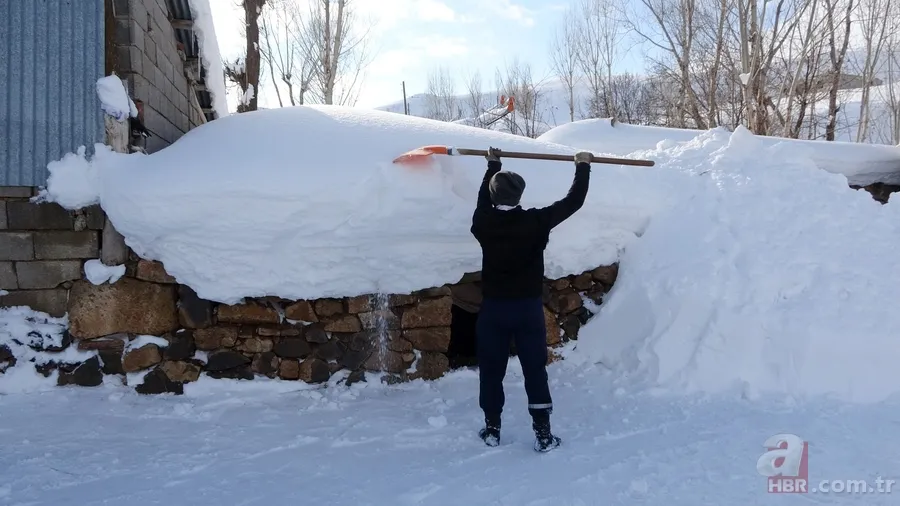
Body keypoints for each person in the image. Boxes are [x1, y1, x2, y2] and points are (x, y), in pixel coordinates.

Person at [470, 146, 592, 452]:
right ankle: (543, 434)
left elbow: (483, 200)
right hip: (527, 310)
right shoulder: (536, 222)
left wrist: (492, 165)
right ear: (520, 197)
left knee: (491, 369)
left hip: (494, 311)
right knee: (535, 370)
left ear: (495, 197)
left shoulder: (483, 222)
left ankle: (493, 429)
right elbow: (573, 202)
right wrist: (582, 166)